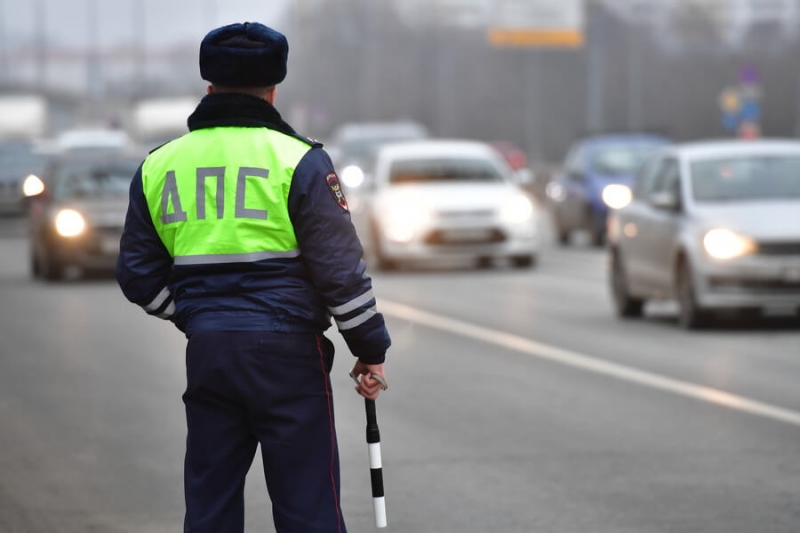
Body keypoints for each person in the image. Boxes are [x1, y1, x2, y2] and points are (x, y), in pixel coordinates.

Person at [116, 21, 391, 533]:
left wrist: (199, 315)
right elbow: (341, 273)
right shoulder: (300, 160)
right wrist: (369, 349)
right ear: (273, 89)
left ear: (209, 87)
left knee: (210, 505)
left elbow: (136, 273)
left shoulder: (160, 165)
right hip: (289, 356)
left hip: (211, 352)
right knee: (307, 506)